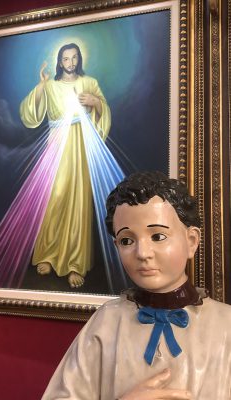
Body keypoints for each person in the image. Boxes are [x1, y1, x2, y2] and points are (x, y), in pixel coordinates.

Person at [41, 171, 231, 399]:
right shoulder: (107, 322)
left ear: (191, 241)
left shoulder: (225, 326)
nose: (142, 253)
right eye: (127, 240)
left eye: (158, 237)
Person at [20, 43, 111, 288]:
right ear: (59, 62)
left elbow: (104, 111)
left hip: (80, 144)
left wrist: (96, 102)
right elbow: (31, 113)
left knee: (78, 200)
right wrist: (40, 85)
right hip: (56, 145)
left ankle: (75, 263)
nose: (69, 63)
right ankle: (48, 254)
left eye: (74, 58)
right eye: (65, 59)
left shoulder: (89, 82)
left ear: (78, 59)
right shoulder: (50, 86)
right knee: (55, 196)